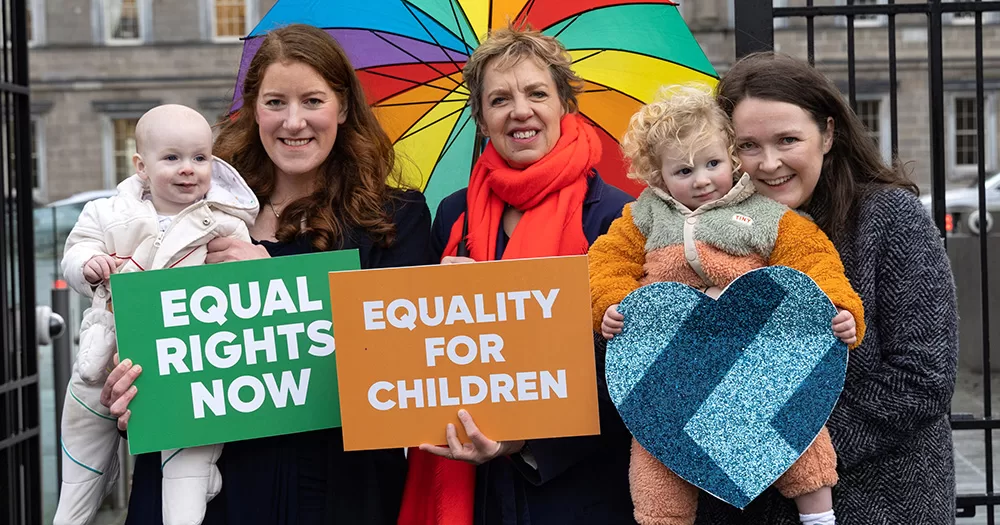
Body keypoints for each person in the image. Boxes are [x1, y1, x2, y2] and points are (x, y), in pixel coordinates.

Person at [100, 24, 432, 525]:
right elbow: (160, 336)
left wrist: (272, 279)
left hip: (332, 486)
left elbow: (398, 365)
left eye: (313, 100)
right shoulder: (194, 203)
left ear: (342, 107)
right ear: (253, 109)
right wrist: (132, 393)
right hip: (205, 490)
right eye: (275, 102)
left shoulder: (397, 217)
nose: (293, 121)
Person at [694, 52, 958, 524]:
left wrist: (778, 443)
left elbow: (923, 377)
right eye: (748, 145)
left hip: (879, 501)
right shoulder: (703, 232)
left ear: (828, 134)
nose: (769, 163)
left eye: (788, 140)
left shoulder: (889, 220)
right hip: (743, 504)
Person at [589, 84, 865, 525]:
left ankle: (819, 516)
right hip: (671, 358)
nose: (701, 179)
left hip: (752, 354)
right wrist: (612, 303)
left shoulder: (763, 213)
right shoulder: (644, 216)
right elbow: (605, 261)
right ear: (658, 177)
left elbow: (812, 258)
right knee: (655, 449)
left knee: (799, 427)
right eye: (683, 171)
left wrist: (838, 305)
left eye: (712, 163)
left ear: (733, 158)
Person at [400, 25, 636, 525]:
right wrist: (438, 304)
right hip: (478, 493)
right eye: (499, 99)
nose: (520, 111)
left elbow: (634, 368)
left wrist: (522, 440)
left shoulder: (619, 216)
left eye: (536, 93)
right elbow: (421, 350)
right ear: (482, 120)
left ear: (565, 105)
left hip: (578, 490)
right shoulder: (452, 214)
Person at [54, 104, 257, 525]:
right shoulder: (107, 213)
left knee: (189, 451)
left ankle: (196, 488)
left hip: (189, 362)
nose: (188, 169)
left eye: (200, 158)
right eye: (172, 158)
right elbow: (75, 252)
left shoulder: (225, 223)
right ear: (141, 166)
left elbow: (246, 293)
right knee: (81, 446)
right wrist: (87, 265)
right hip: (106, 351)